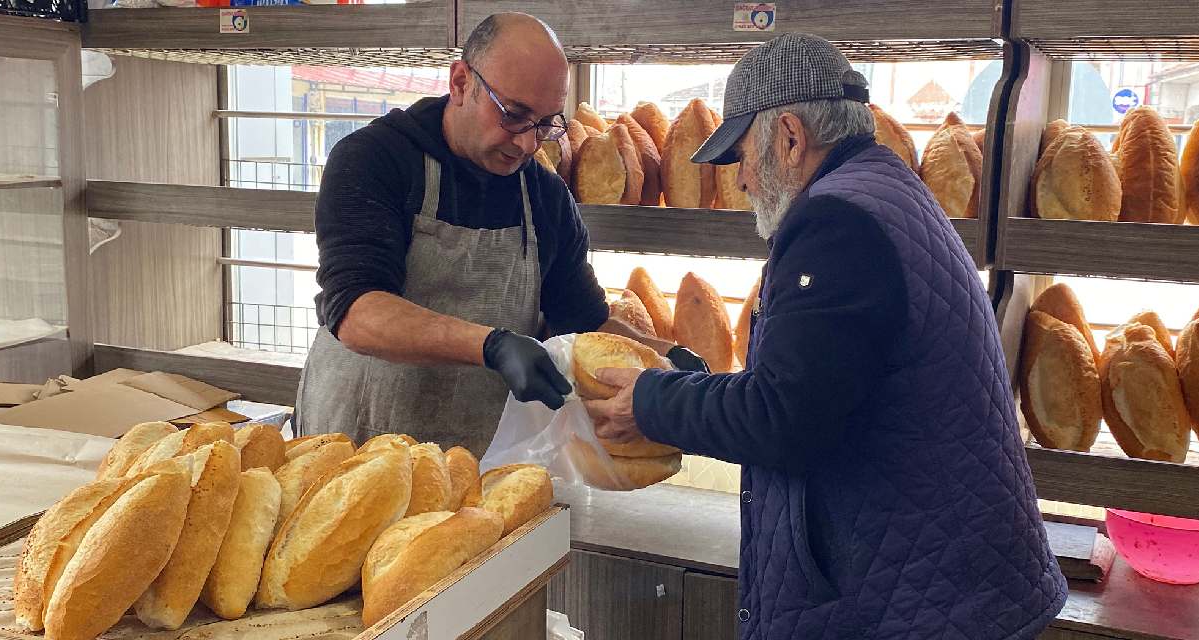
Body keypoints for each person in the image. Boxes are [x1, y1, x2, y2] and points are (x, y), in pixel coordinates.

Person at [585, 34, 1067, 639]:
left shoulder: (837, 224)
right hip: (936, 584)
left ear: (789, 136)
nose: (741, 184)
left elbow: (786, 419)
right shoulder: (885, 193)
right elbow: (818, 383)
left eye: (740, 159)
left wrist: (652, 402)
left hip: (915, 604)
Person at [294, 12, 707, 453]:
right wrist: (491, 345)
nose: (529, 144)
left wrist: (663, 358)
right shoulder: (376, 159)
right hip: (353, 449)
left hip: (474, 459)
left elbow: (584, 322)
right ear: (459, 82)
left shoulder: (545, 197)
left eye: (547, 122)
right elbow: (357, 312)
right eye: (514, 115)